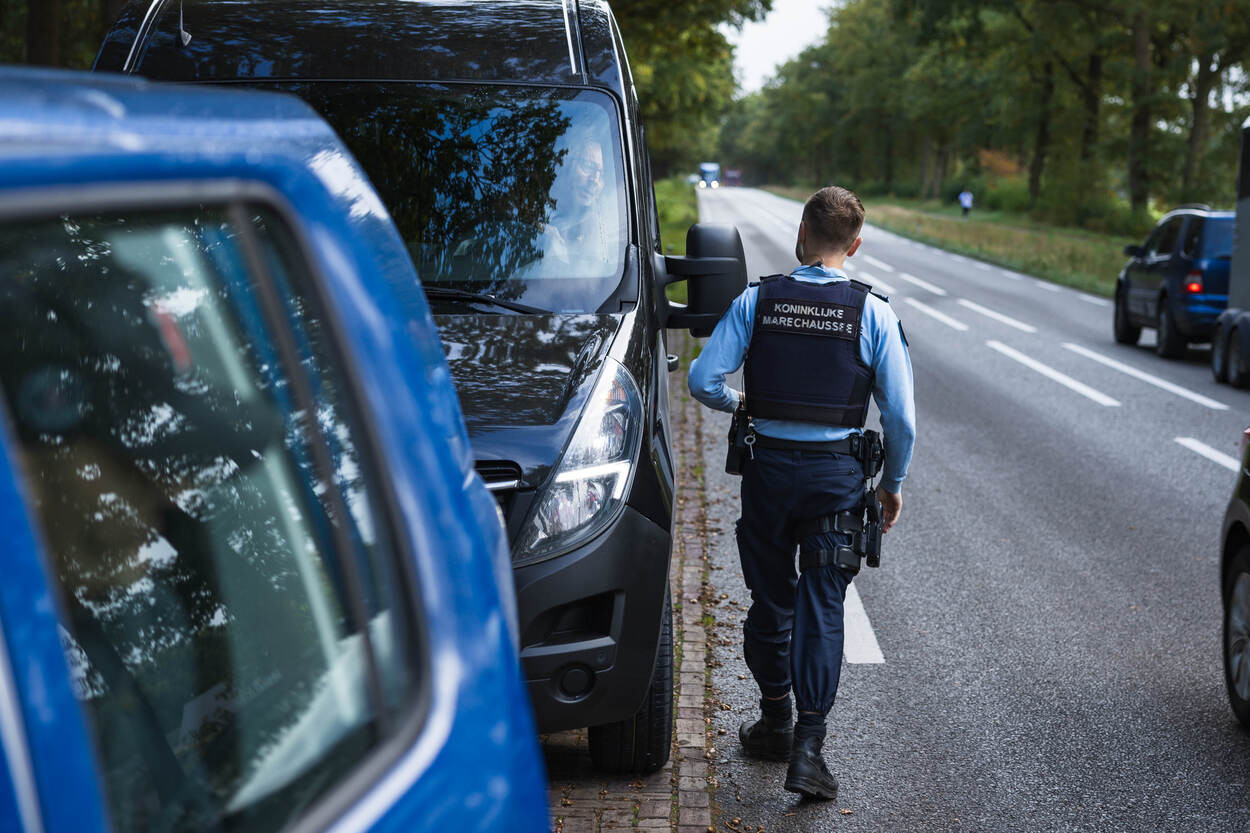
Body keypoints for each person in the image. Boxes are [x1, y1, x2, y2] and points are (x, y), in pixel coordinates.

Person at [688, 185, 915, 800]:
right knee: (822, 606)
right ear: (856, 244)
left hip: (767, 476)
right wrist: (891, 485)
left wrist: (743, 405)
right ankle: (808, 752)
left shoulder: (757, 300)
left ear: (800, 234)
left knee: (771, 597)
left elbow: (702, 380)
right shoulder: (873, 313)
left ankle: (774, 719)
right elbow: (901, 420)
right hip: (835, 481)